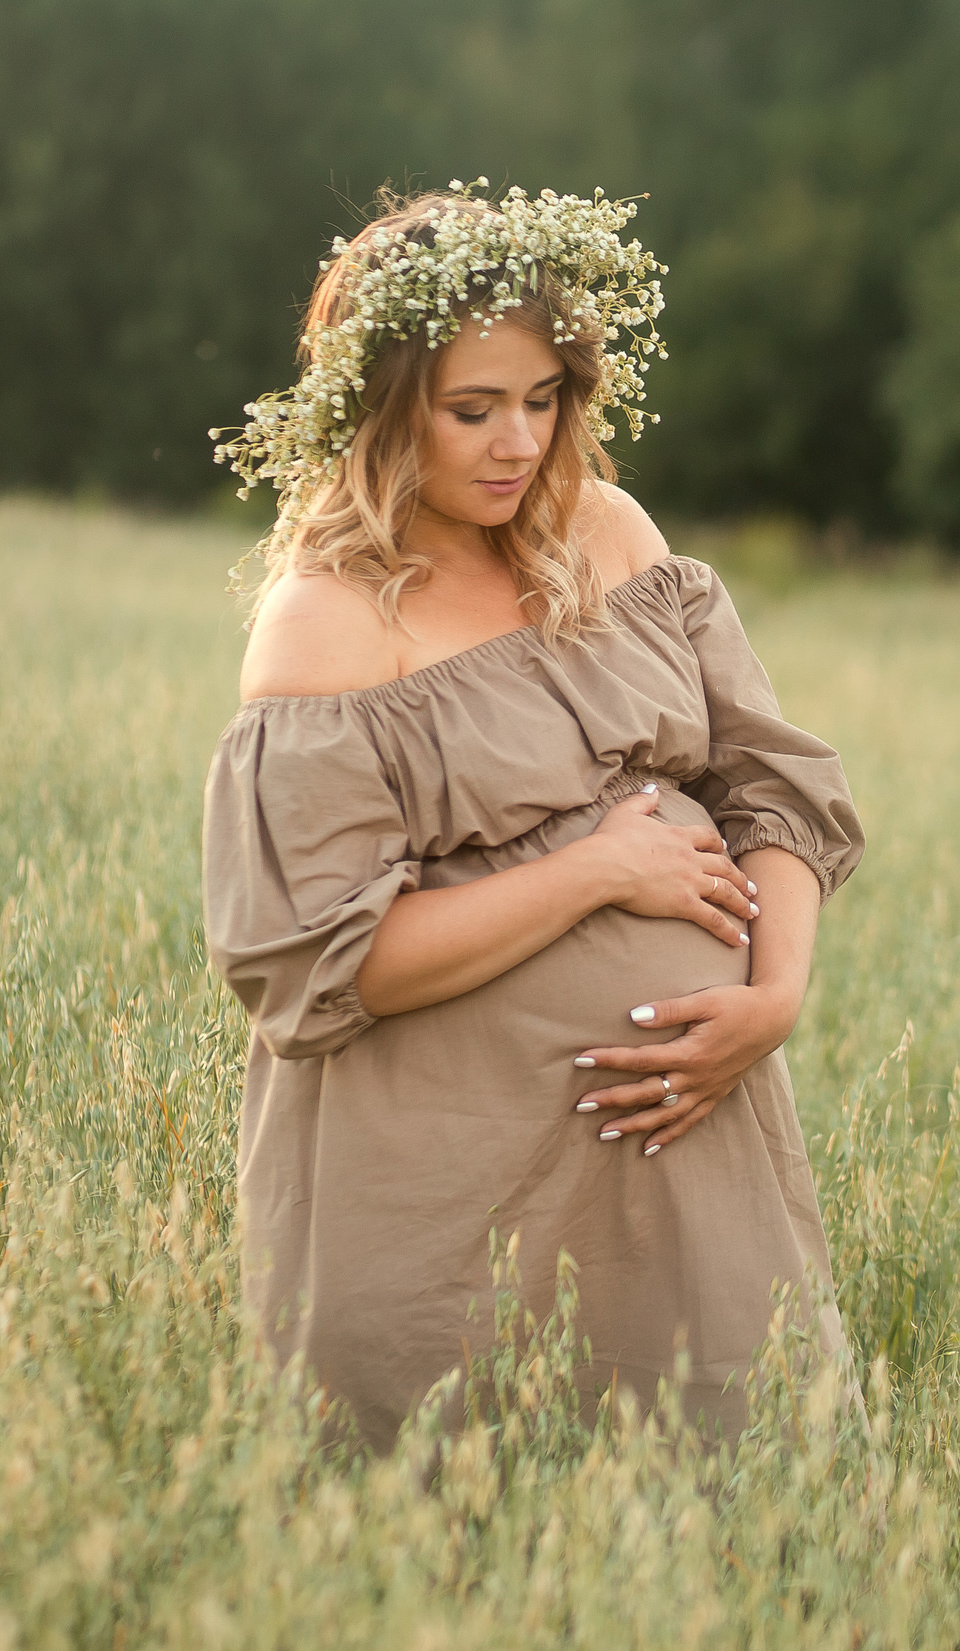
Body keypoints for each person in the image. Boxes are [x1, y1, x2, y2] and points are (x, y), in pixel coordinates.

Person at [200, 184, 863, 1450]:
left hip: (681, 1140)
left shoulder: (609, 533)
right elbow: (316, 966)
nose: (517, 441)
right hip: (451, 1190)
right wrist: (597, 874)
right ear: (379, 406)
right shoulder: (326, 624)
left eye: (543, 398)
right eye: (472, 409)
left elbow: (771, 785)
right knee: (460, 1515)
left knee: (738, 1495)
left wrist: (774, 999)